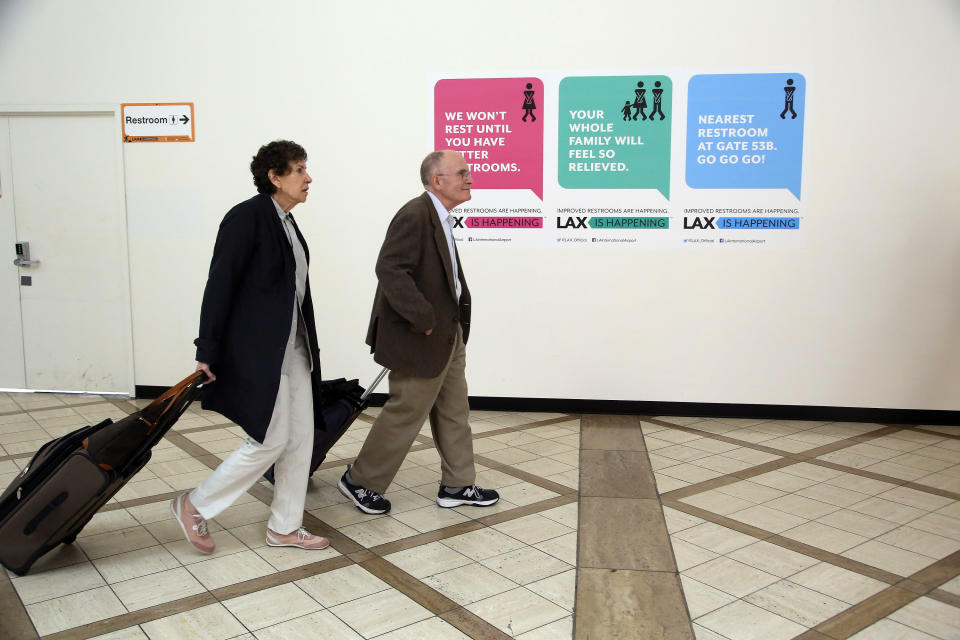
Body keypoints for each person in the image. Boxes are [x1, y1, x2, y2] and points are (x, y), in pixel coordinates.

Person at [171, 140, 329, 553]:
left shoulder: (288, 223)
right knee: (272, 438)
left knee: (300, 438)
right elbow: (219, 284)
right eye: (298, 170)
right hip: (261, 353)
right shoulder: (247, 218)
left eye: (305, 169)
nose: (308, 178)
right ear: (274, 177)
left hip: (295, 350)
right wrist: (207, 346)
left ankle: (284, 527)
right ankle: (195, 504)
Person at [338, 150, 499, 514]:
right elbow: (390, 269)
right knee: (406, 412)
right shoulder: (415, 213)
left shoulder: (440, 217)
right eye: (462, 173)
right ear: (437, 180)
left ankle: (458, 485)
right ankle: (360, 481)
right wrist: (423, 318)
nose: (470, 178)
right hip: (421, 336)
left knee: (454, 411)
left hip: (449, 334)